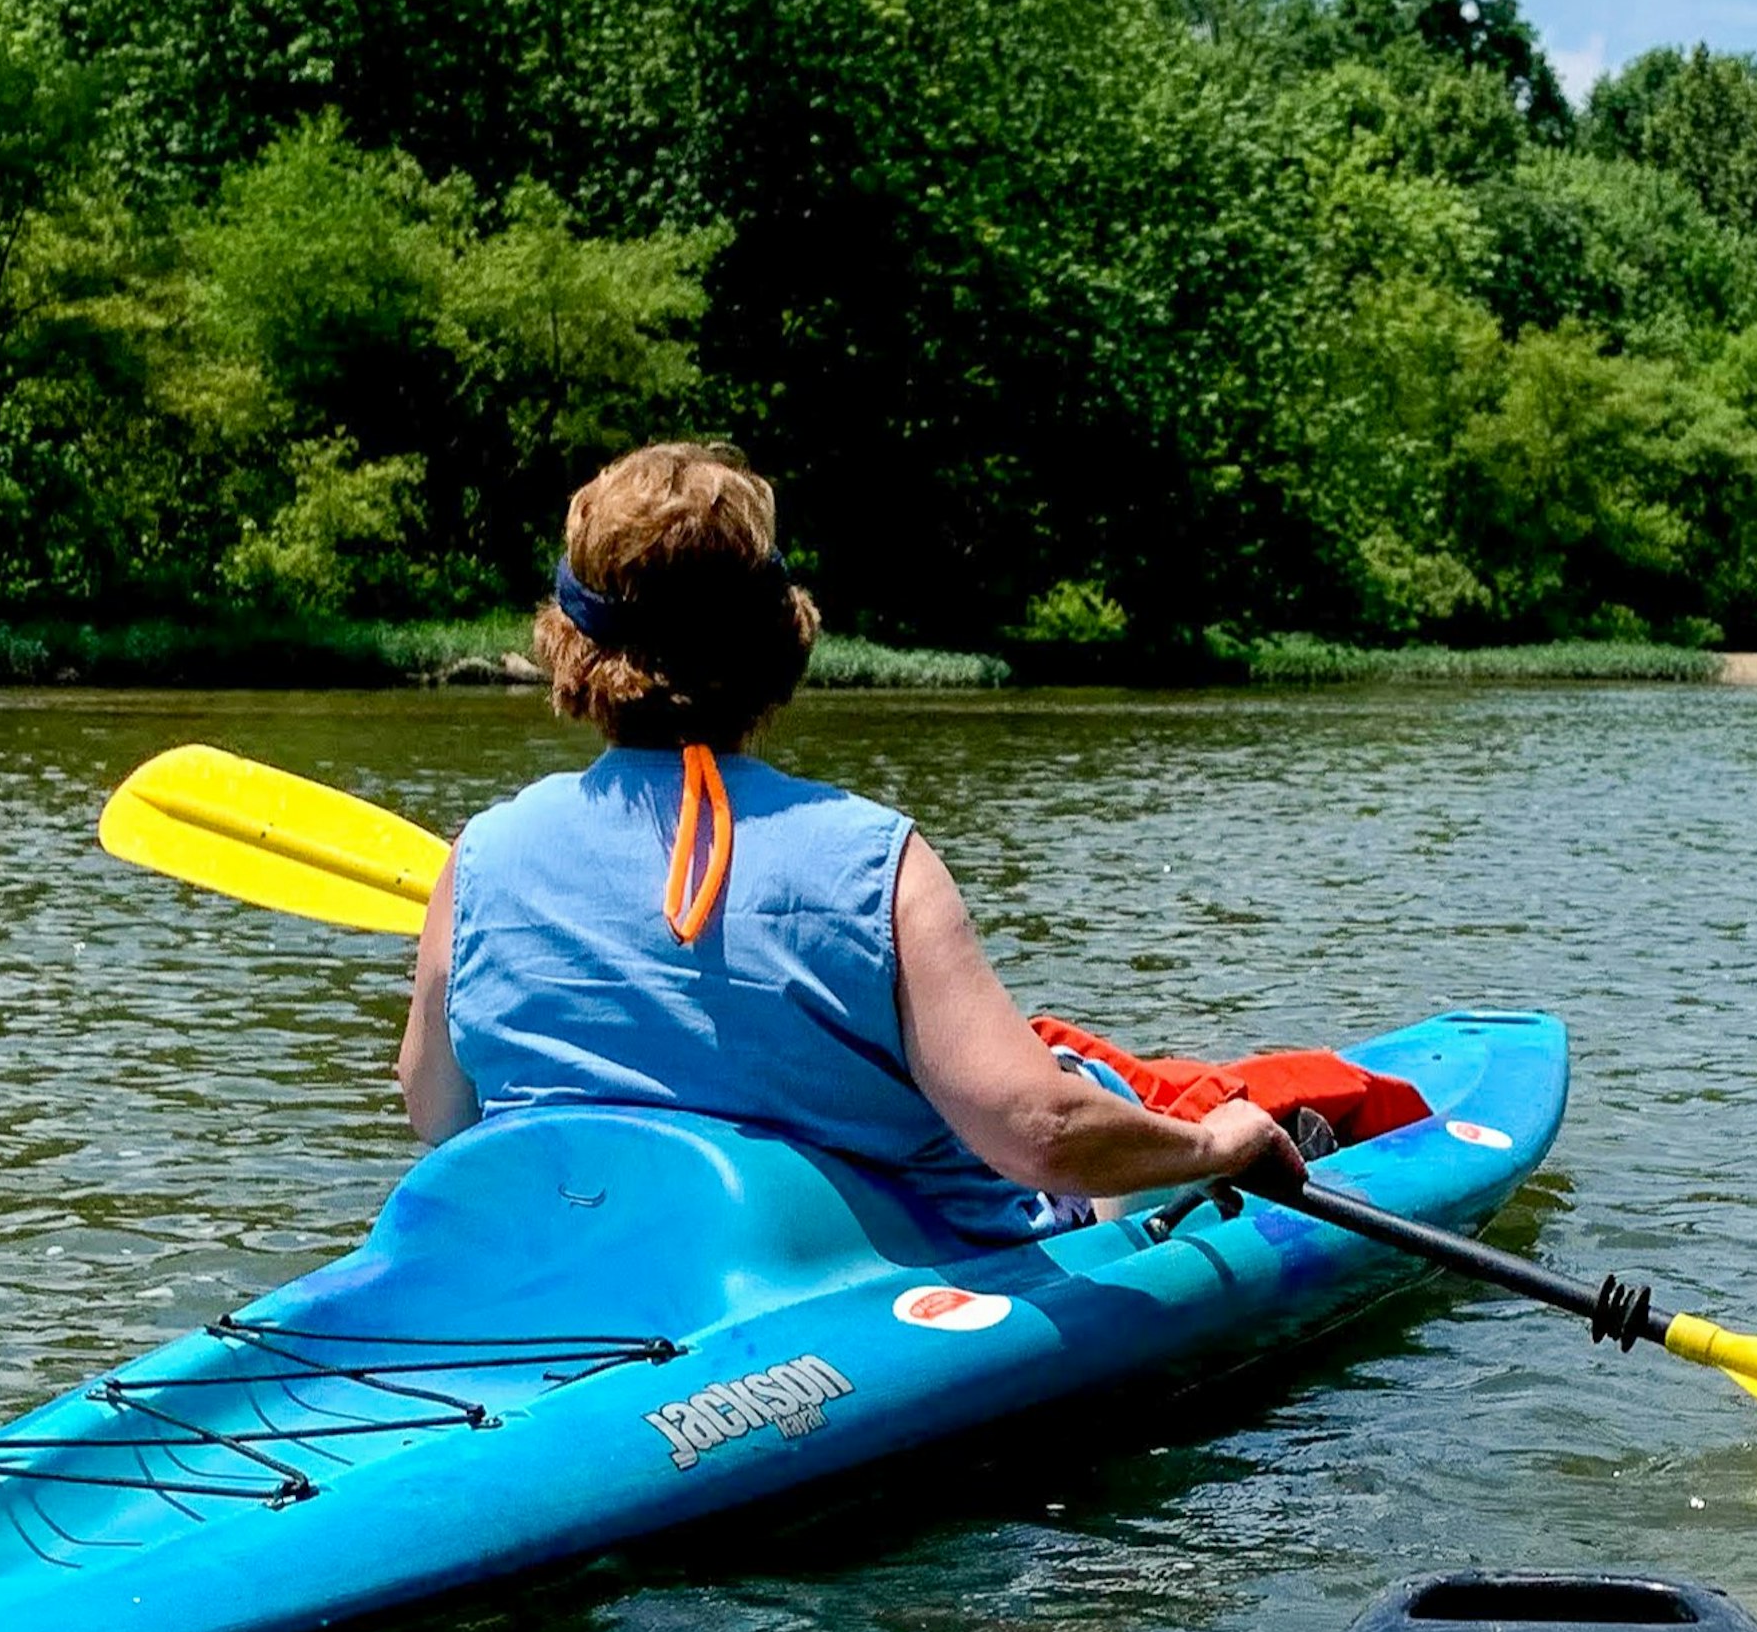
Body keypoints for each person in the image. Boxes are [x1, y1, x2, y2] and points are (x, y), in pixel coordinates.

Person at [395, 442, 1304, 1240]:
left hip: (605, 1259)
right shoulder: (881, 863)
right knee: (1071, 1091)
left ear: (567, 646)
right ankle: (1201, 1127)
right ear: (781, 641)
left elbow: (437, 1110)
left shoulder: (478, 858)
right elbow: (1042, 1134)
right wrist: (1210, 1143)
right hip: (888, 1275)